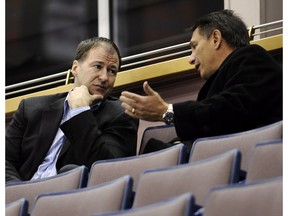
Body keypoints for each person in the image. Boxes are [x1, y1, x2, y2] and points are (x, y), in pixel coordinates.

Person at [120, 9, 282, 155]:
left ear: (216, 39)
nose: (190, 59)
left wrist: (167, 111)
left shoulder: (253, 57)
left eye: (194, 46)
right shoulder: (222, 79)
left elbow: (229, 110)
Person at [6, 37, 139, 182]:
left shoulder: (122, 114)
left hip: (72, 197)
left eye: (112, 71)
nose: (104, 77)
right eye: (98, 66)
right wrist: (18, 192)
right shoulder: (31, 109)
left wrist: (81, 112)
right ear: (75, 68)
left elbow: (106, 170)